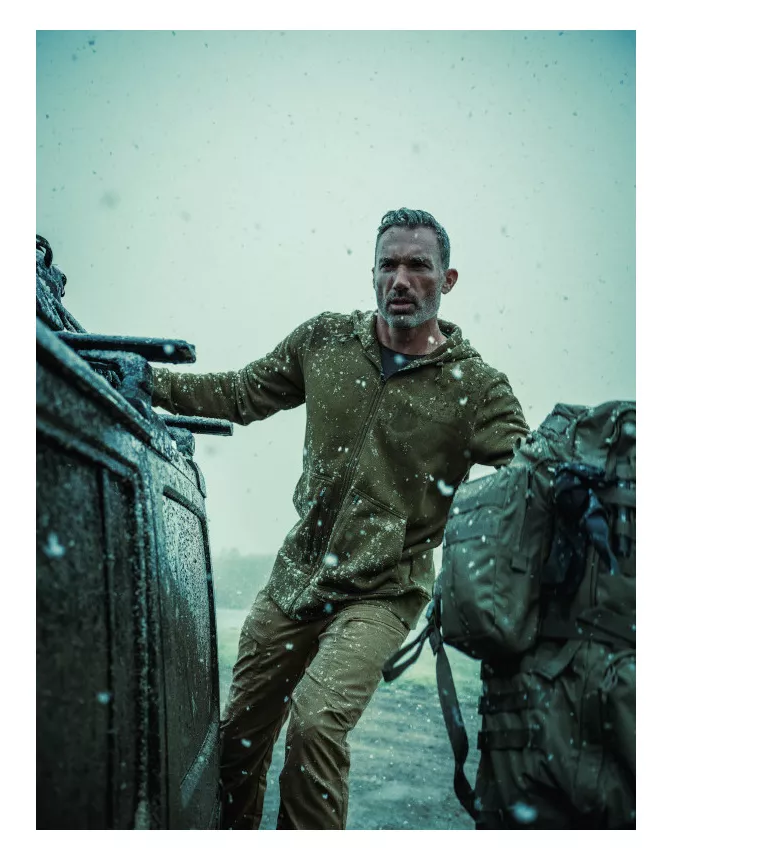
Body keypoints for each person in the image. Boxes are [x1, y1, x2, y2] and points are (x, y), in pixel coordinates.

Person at [151, 208, 529, 829]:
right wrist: (148, 382)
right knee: (237, 743)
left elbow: (531, 471)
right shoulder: (325, 342)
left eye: (418, 266)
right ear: (372, 273)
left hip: (382, 591)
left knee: (317, 723)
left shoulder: (476, 388)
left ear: (448, 279)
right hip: (295, 578)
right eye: (388, 265)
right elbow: (240, 394)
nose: (400, 279)